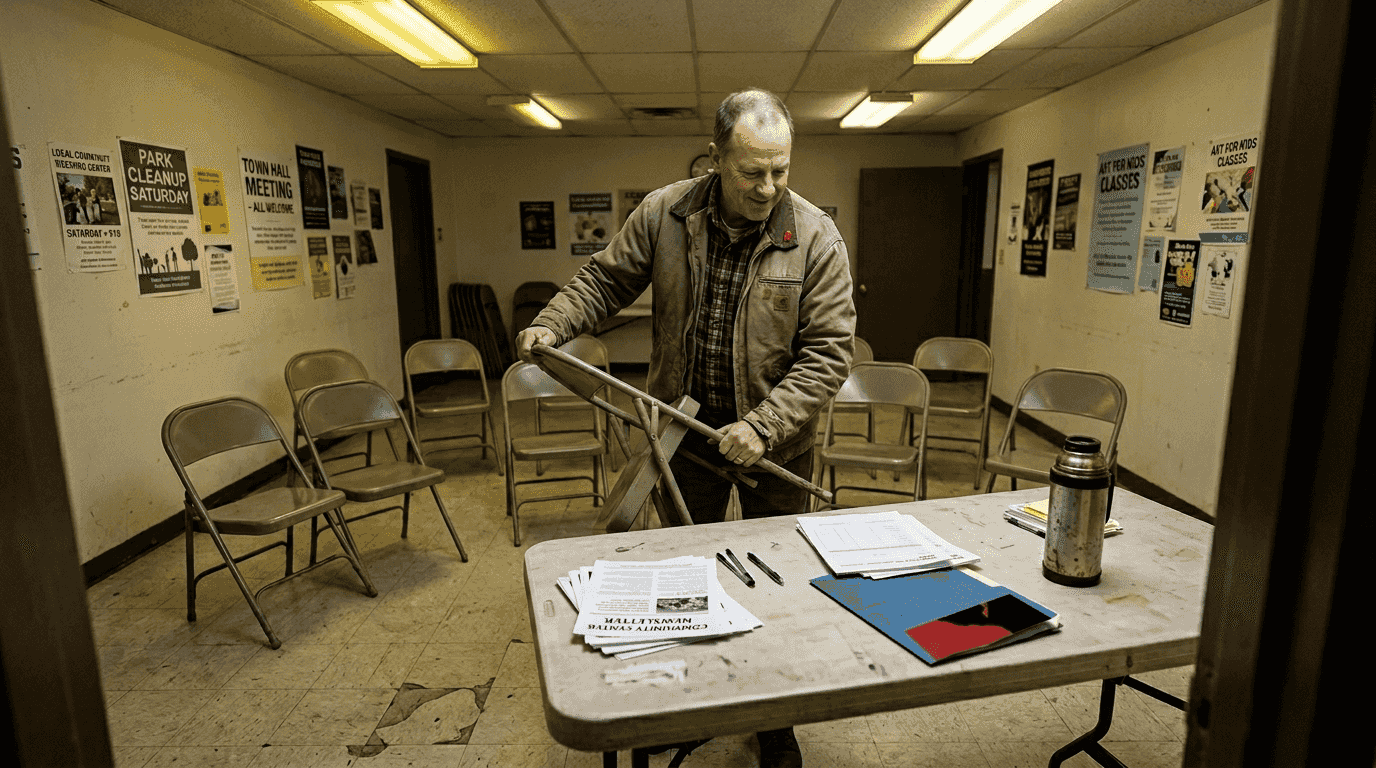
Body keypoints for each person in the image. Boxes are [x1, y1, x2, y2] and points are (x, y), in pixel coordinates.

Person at [516, 88, 856, 768]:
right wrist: (554, 321)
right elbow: (604, 281)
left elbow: (829, 355)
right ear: (716, 158)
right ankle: (696, 696)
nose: (767, 187)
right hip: (684, 440)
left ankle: (775, 718)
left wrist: (763, 426)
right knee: (686, 583)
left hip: (776, 443)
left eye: (780, 171)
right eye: (751, 171)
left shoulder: (816, 236)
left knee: (778, 587)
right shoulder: (665, 213)